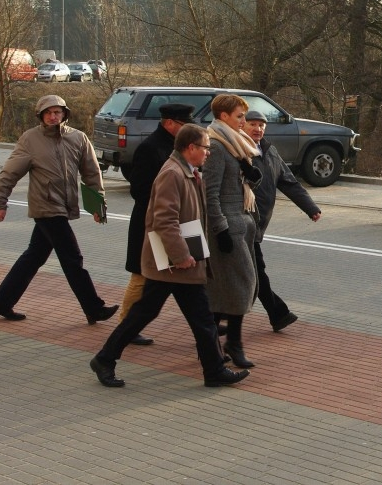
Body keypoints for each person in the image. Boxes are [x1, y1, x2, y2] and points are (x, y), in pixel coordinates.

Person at [89, 124, 249, 388]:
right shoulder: (172, 174)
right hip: (176, 263)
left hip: (179, 262)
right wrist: (181, 255)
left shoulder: (187, 172)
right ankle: (105, 359)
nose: (208, 152)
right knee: (177, 316)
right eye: (205, 147)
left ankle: (213, 370)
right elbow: (164, 220)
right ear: (190, 148)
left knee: (189, 318)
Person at [0, 95, 118, 324]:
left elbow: (91, 174)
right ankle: (93, 307)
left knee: (34, 256)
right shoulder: (31, 139)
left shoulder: (78, 138)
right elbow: (10, 172)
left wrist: (98, 206)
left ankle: (2, 302)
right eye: (48, 113)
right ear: (41, 115)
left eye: (57, 112)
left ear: (64, 114)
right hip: (46, 206)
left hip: (64, 206)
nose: (53, 116)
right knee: (72, 258)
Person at [120, 102, 195, 345]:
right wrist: (165, 198)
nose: (188, 129)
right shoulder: (150, 148)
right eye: (184, 125)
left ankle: (206, 323)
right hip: (152, 223)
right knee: (142, 277)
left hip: (179, 222)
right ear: (169, 123)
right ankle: (125, 326)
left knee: (188, 278)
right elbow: (139, 190)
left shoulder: (179, 147)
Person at [243, 110, 321, 331]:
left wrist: (310, 207)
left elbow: (288, 181)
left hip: (257, 224)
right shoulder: (239, 151)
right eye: (253, 124)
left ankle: (219, 313)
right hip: (242, 222)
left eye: (261, 125)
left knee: (251, 272)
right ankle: (278, 314)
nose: (258, 129)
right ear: (242, 126)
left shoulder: (268, 151)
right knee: (256, 271)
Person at [204, 94, 262, 369]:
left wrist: (248, 176)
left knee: (225, 288)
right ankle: (233, 343)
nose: (244, 122)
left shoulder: (235, 144)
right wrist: (221, 228)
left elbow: (236, 184)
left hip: (242, 222)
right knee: (241, 285)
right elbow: (209, 193)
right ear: (223, 116)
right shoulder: (216, 145)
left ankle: (212, 342)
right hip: (228, 226)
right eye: (239, 116)